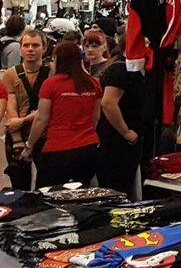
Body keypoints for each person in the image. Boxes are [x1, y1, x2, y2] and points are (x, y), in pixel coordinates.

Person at [20, 40, 100, 188]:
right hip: (88, 147)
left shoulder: (51, 84)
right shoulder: (93, 83)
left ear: (57, 59)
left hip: (57, 149)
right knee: (81, 193)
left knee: (47, 193)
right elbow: (95, 118)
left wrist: (29, 145)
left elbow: (41, 119)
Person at [92, 31, 142, 197]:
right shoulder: (121, 69)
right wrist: (126, 132)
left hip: (121, 142)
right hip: (115, 143)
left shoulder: (130, 68)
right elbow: (108, 103)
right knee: (115, 191)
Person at [0, 28, 50, 190]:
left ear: (44, 48)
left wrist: (23, 120)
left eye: (35, 45)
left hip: (44, 134)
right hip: (18, 133)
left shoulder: (51, 73)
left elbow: (49, 108)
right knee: (19, 186)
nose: (30, 49)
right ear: (20, 48)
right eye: (26, 45)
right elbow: (10, 106)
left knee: (46, 184)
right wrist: (17, 140)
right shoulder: (10, 74)